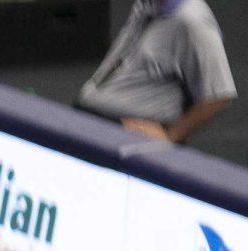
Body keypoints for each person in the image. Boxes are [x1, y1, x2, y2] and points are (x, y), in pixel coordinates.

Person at [78, 0, 234, 146]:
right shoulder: (147, 5)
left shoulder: (193, 21)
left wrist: (170, 137)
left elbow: (218, 95)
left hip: (126, 136)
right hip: (92, 119)